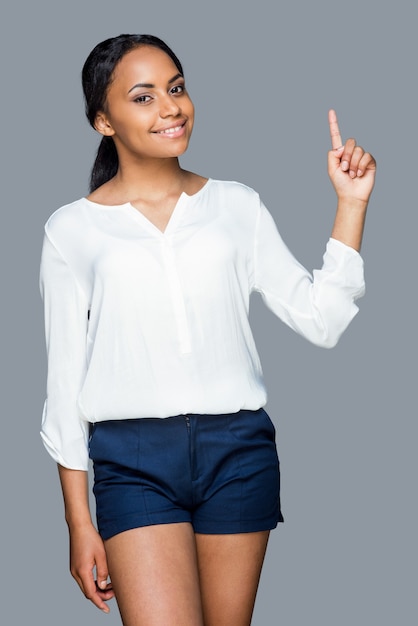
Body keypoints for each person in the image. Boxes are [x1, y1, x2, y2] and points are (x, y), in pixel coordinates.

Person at [39, 34, 376, 626]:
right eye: (143, 97)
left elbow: (320, 321)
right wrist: (78, 521)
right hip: (133, 458)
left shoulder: (235, 206)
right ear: (103, 120)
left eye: (176, 88)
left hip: (237, 451)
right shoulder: (72, 230)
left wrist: (350, 205)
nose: (170, 108)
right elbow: (64, 386)